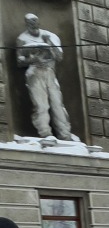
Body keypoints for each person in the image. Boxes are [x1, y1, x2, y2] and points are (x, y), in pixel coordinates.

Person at [16, 12, 73, 140]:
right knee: (41, 105)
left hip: (50, 72)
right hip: (34, 72)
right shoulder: (22, 38)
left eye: (34, 21)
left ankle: (65, 133)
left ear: (38, 22)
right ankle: (45, 132)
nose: (33, 24)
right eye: (30, 22)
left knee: (57, 103)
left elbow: (59, 56)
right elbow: (19, 61)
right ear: (26, 24)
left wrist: (49, 43)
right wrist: (33, 59)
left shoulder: (50, 36)